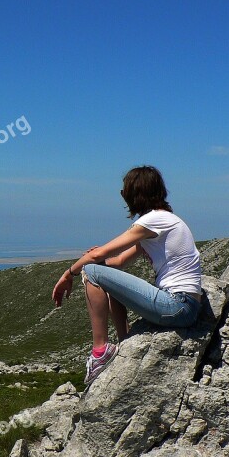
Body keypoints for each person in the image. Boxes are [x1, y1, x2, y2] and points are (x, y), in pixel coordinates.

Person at [52, 165, 203, 386]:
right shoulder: (164, 222)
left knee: (91, 271)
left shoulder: (154, 220)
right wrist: (99, 260)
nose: (123, 197)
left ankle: (100, 351)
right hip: (183, 306)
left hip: (177, 304)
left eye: (125, 192)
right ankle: (124, 342)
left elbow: (102, 254)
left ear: (135, 194)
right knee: (102, 271)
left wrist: (69, 274)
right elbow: (119, 261)